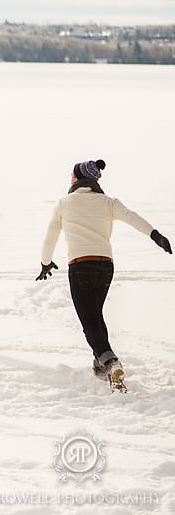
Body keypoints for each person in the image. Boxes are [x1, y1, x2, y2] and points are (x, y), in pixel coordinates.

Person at [37, 159, 171, 388]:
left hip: (81, 267)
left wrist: (46, 262)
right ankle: (101, 365)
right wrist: (155, 235)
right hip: (105, 266)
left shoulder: (65, 203)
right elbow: (132, 216)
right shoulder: (108, 202)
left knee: (89, 322)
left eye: (72, 174)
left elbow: (51, 233)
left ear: (78, 178)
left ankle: (111, 363)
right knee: (96, 316)